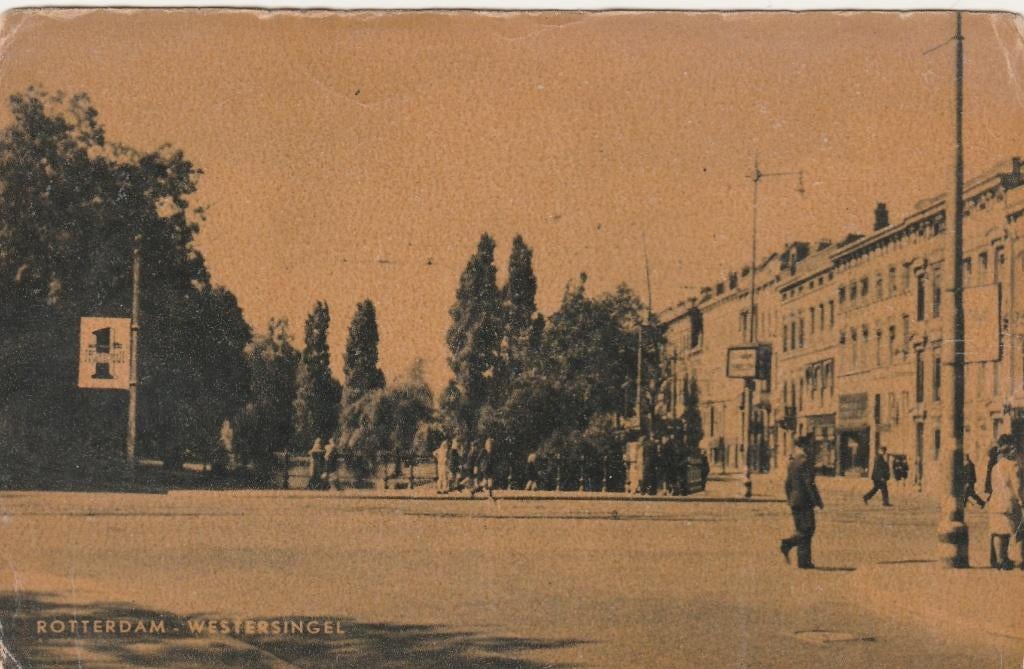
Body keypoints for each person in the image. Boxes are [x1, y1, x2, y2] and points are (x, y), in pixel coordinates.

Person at [780, 437, 824, 569]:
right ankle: (788, 544)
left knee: (801, 529)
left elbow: (787, 484)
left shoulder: (792, 463)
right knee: (808, 529)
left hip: (794, 501)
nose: (811, 448)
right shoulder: (805, 462)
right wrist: (817, 500)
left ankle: (803, 561)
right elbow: (809, 483)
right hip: (805, 501)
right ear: (805, 447)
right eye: (809, 446)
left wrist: (790, 499)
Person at [987, 435, 1023, 570]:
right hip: (1010, 502)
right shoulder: (1013, 466)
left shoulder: (995, 467)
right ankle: (1021, 560)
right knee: (1018, 532)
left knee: (999, 532)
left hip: (996, 502)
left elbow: (993, 485)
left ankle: (1001, 560)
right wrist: (1021, 500)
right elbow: (1017, 486)